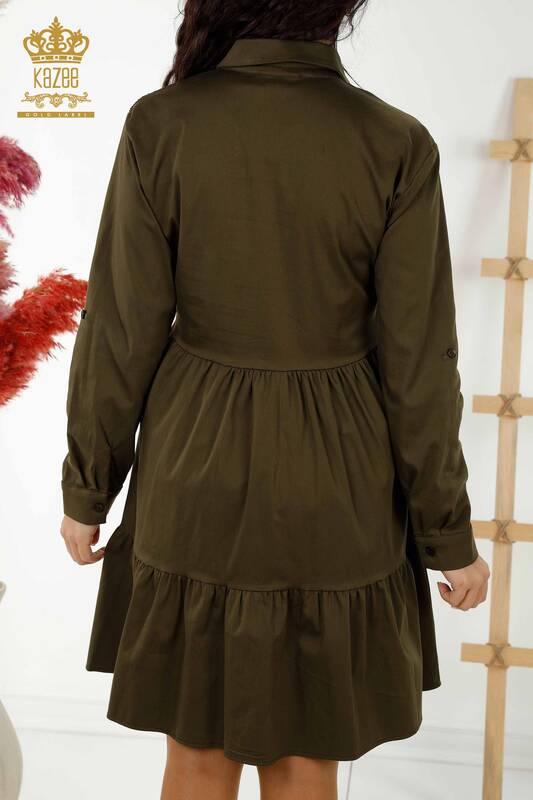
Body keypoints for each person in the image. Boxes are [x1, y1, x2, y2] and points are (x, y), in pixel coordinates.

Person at [59, 1, 490, 798]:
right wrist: (447, 532)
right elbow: (419, 365)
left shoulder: (163, 124)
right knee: (306, 755)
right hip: (339, 480)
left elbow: (121, 329)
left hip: (194, 466)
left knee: (195, 751)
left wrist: (88, 488)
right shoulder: (394, 140)